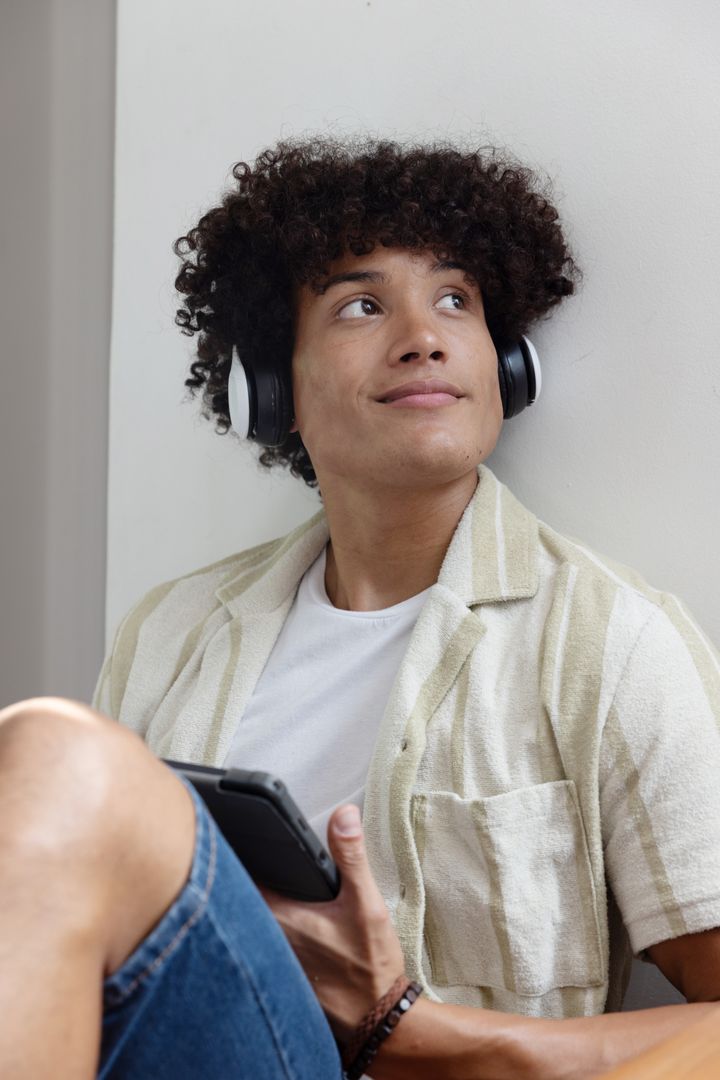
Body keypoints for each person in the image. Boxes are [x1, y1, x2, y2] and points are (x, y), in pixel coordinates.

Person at [1, 136, 719, 1079]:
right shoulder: (169, 633)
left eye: (455, 299)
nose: (423, 334)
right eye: (362, 305)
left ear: (504, 368)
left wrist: (416, 1034)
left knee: (51, 749)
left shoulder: (609, 641)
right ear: (273, 391)